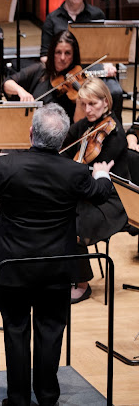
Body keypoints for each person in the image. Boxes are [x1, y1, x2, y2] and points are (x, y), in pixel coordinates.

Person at [0, 103, 113, 406]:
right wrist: (102, 175)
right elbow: (100, 194)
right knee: (51, 330)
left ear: (31, 133)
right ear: (62, 138)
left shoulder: (7, 165)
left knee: (15, 330)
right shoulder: (75, 171)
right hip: (56, 269)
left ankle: (17, 399)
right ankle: (47, 396)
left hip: (12, 266)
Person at [60, 77, 129, 303]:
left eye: (93, 104)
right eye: (84, 104)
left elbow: (99, 183)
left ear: (106, 102)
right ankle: (61, 272)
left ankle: (82, 285)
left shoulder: (115, 136)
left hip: (111, 200)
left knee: (74, 225)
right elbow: (63, 150)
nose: (88, 109)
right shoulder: (86, 126)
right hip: (88, 191)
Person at [40, 0, 122, 121]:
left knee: (115, 91)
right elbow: (44, 55)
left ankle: (114, 133)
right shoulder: (52, 19)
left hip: (94, 68)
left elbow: (106, 48)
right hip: (66, 73)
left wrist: (108, 64)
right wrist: (60, 65)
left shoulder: (97, 15)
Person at [4, 30, 81, 121]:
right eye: (58, 52)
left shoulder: (77, 77)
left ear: (73, 55)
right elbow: (7, 83)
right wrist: (21, 91)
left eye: (67, 53)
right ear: (52, 53)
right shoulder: (40, 70)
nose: (62, 58)